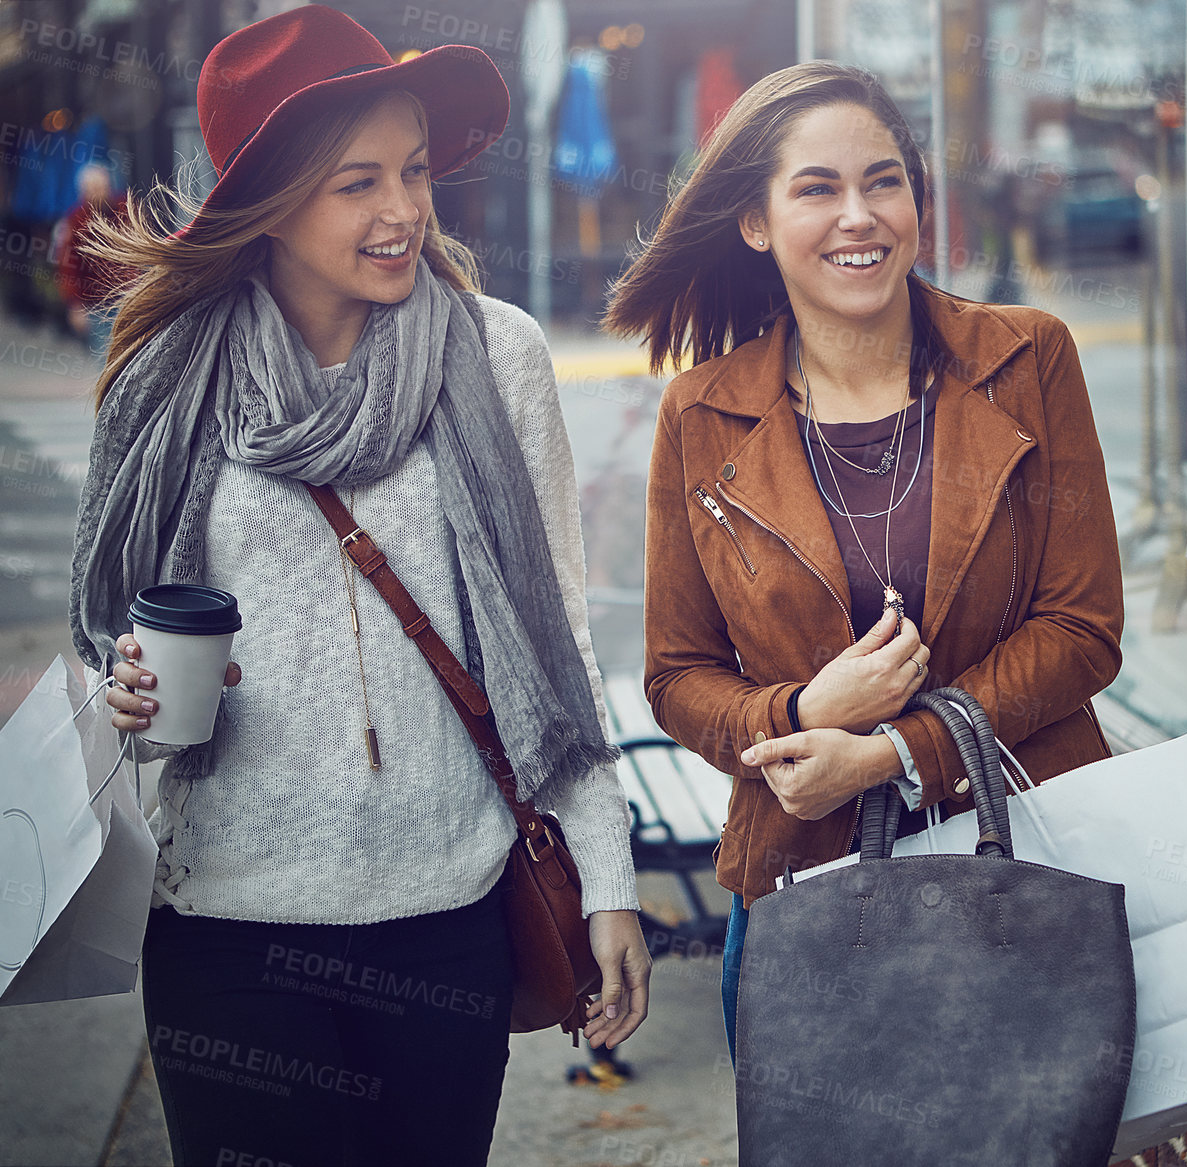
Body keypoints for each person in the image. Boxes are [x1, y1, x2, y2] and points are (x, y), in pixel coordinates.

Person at [67, 8, 650, 1164]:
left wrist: (608, 880)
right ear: (268, 201)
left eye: (417, 171)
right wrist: (121, 698)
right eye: (357, 183)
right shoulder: (165, 377)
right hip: (227, 930)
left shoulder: (496, 357)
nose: (404, 212)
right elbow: (108, 636)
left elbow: (555, 643)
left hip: (449, 926)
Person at [603, 61, 1124, 1060]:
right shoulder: (700, 412)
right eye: (817, 189)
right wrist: (799, 718)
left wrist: (892, 755)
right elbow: (677, 677)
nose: (860, 216)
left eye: (884, 182)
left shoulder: (1028, 361)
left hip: (1023, 861)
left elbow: (1082, 630)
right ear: (755, 223)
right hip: (806, 886)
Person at [56, 161, 128, 356]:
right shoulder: (75, 220)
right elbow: (67, 266)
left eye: (103, 187)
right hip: (96, 303)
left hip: (127, 297)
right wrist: (75, 306)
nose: (99, 193)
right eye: (93, 189)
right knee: (103, 357)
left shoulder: (124, 209)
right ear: (83, 193)